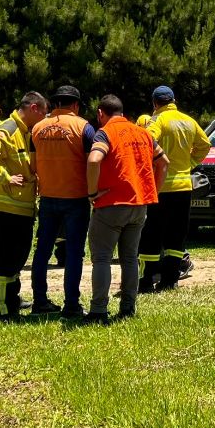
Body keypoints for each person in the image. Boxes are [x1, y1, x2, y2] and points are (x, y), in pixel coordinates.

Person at [83, 95, 167, 324]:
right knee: (130, 258)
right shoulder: (143, 133)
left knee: (101, 259)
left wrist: (92, 193)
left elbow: (93, 160)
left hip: (111, 204)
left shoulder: (105, 132)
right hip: (139, 204)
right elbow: (164, 162)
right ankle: (128, 308)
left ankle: (99, 311)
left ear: (101, 113)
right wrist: (153, 191)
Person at [28, 85, 96, 318]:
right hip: (76, 198)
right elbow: (91, 163)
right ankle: (72, 304)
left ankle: (39, 301)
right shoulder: (84, 128)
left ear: (55, 104)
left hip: (48, 197)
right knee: (75, 252)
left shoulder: (37, 129)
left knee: (43, 251)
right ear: (75, 105)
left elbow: (33, 165)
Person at [139, 86, 210, 292]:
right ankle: (170, 281)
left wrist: (154, 161)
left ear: (154, 103)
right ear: (174, 100)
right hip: (184, 187)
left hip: (160, 186)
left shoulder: (158, 120)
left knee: (152, 234)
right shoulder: (188, 121)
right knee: (176, 235)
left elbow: (146, 139)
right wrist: (190, 162)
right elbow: (205, 144)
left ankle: (146, 281)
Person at [0, 91, 48, 320]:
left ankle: (11, 299)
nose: (45, 116)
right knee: (7, 256)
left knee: (19, 255)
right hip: (7, 205)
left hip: (22, 205)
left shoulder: (25, 132)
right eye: (43, 111)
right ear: (34, 108)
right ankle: (1, 308)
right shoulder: (7, 129)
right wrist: (6, 177)